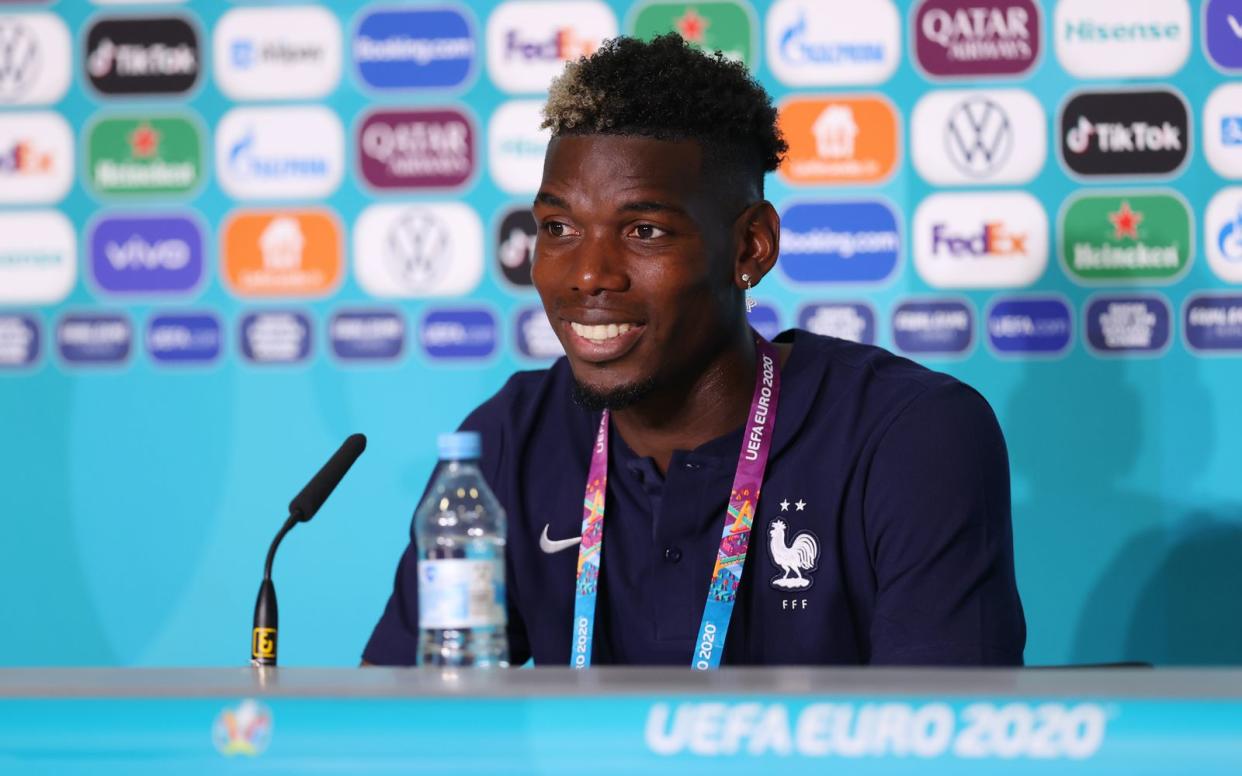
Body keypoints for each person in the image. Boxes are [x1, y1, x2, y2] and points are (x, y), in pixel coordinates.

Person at [364, 34, 1025, 667]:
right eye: (559, 228)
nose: (588, 274)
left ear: (750, 249)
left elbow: (947, 736)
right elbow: (400, 720)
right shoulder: (510, 438)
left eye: (644, 230)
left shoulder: (908, 437)